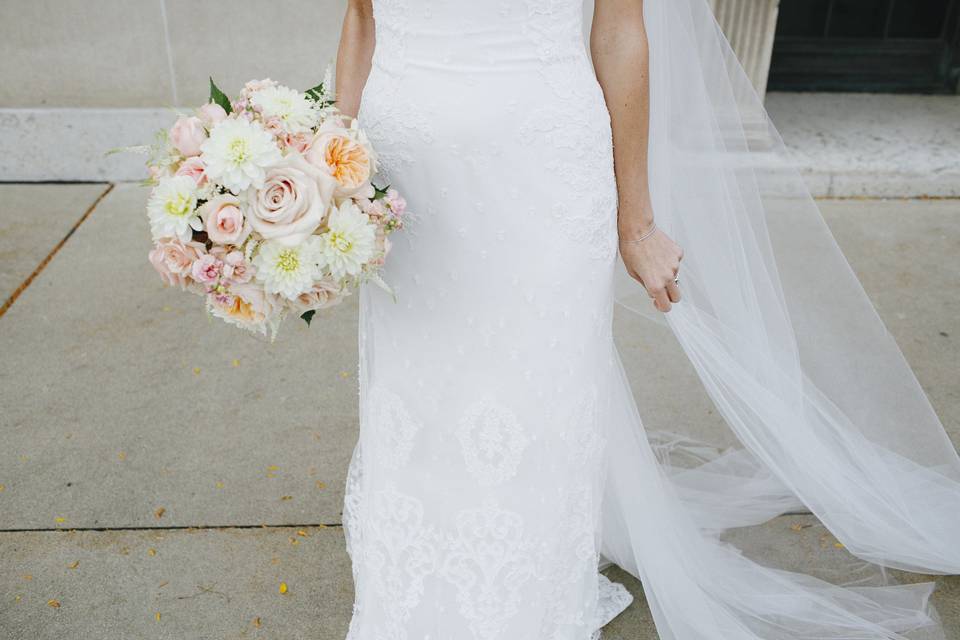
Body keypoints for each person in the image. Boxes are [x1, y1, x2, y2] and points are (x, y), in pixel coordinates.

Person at [334, 1, 960, 638]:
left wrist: (636, 223)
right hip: (403, 173)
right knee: (419, 374)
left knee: (535, 376)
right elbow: (361, 16)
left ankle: (523, 579)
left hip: (540, 166)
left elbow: (620, 30)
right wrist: (326, 161)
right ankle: (421, 546)